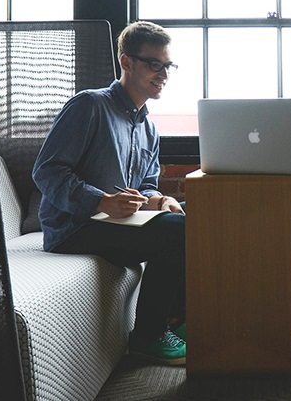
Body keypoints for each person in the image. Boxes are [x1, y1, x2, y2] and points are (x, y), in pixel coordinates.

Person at [32, 20, 187, 365]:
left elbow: (146, 184)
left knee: (194, 215)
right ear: (126, 61)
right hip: (75, 228)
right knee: (179, 231)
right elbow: (47, 171)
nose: (163, 74)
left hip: (119, 225)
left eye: (168, 65)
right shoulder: (89, 106)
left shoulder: (148, 127)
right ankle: (148, 337)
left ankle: (177, 318)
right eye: (154, 64)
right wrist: (101, 201)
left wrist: (159, 200)